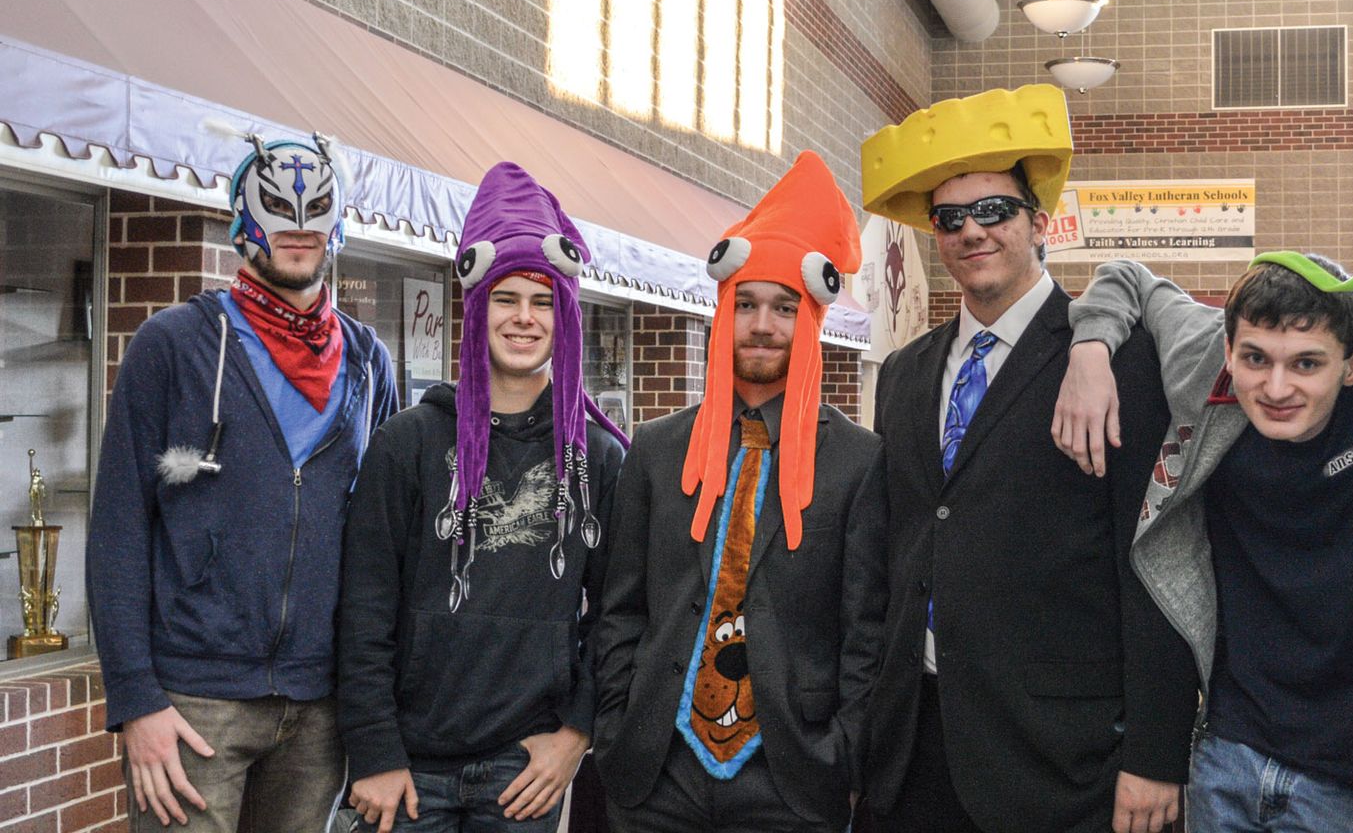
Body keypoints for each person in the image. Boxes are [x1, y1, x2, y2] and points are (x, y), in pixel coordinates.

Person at [857, 84, 1199, 833]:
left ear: (1039, 223)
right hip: (915, 746)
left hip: (1062, 761)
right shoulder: (907, 373)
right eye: (950, 218)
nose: (971, 231)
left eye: (994, 211)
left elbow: (1154, 561)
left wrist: (1156, 751)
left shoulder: (1112, 359)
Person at [1050, 254, 1353, 832]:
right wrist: (1089, 353)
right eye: (1255, 359)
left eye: (1307, 363)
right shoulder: (1206, 359)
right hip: (1227, 755)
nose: (1276, 387)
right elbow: (1129, 278)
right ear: (1230, 350)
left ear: (1352, 364)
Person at [87, 130, 399, 831]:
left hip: (320, 709)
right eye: (278, 214)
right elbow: (118, 529)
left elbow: (384, 541)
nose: (297, 231)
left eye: (314, 213)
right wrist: (136, 699)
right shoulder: (171, 346)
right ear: (241, 220)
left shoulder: (368, 362)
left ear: (338, 222)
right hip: (193, 704)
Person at [590, 151, 886, 833]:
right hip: (656, 771)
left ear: (809, 320)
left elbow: (866, 631)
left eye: (784, 308)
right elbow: (619, 607)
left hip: (791, 775)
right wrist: (617, 727)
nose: (762, 324)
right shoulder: (657, 450)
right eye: (746, 304)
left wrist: (841, 754)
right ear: (723, 310)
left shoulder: (859, 462)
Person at [335, 162, 628, 832]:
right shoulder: (404, 443)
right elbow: (364, 609)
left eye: (543, 300)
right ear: (475, 305)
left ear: (565, 315)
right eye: (505, 297)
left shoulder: (602, 458)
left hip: (524, 769)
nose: (524, 318)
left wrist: (575, 735)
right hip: (408, 769)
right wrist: (374, 751)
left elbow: (618, 613)